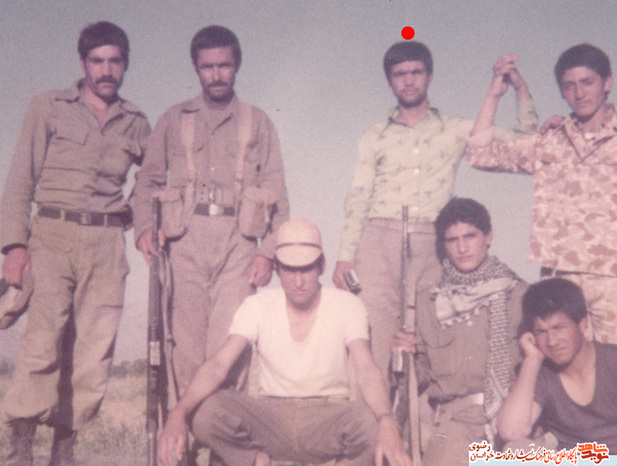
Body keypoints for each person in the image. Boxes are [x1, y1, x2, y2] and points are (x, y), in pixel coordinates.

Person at [332, 41, 537, 379]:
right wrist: (345, 256)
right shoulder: (373, 136)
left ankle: (427, 414)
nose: (408, 80)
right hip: (378, 242)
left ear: (429, 76)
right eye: (400, 74)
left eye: (416, 72)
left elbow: (523, 140)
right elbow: (358, 198)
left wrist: (518, 90)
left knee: (429, 336)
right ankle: (374, 413)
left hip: (432, 243)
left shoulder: (455, 127)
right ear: (389, 81)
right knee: (374, 337)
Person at [0, 21, 150, 465]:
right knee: (42, 343)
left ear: (125, 64)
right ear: (83, 63)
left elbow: (155, 176)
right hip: (52, 234)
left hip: (107, 242)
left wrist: (131, 211)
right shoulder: (49, 106)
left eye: (115, 61)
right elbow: (20, 179)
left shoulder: (137, 122)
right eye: (97, 61)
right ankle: (21, 447)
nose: (106, 70)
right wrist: (14, 247)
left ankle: (65, 448)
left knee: (94, 350)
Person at [157, 218, 412, 466]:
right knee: (204, 411)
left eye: (306, 269)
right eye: (290, 269)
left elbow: (366, 368)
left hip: (329, 415)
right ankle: (256, 462)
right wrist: (178, 413)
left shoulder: (347, 305)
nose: (298, 282)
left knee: (374, 425)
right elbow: (218, 365)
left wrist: (386, 419)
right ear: (277, 268)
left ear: (322, 266)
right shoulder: (258, 305)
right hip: (271, 416)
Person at [130, 25, 289, 403]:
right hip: (184, 241)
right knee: (182, 346)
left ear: (237, 66)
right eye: (207, 67)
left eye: (224, 65)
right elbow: (148, 181)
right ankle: (182, 430)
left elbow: (278, 197)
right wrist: (144, 229)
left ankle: (223, 433)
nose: (216, 75)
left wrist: (267, 253)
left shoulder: (258, 122)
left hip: (238, 243)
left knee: (230, 345)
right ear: (195, 68)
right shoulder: (173, 118)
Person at [467, 44, 617, 344]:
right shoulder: (551, 140)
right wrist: (496, 93)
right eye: (569, 86)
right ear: (561, 91)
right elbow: (479, 154)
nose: (579, 93)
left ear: (607, 83)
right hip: (560, 276)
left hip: (611, 276)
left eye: (587, 82)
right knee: (564, 366)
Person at [393, 198, 527, 466]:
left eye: (470, 236)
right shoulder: (429, 301)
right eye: (452, 240)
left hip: (512, 419)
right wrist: (403, 356)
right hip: (454, 421)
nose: (462, 248)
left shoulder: (520, 294)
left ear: (488, 237)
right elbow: (420, 373)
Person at [497, 278, 617, 452]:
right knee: (514, 451)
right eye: (541, 332)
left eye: (558, 328)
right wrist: (532, 359)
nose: (552, 341)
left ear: (582, 323)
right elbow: (510, 431)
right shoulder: (543, 374)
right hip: (572, 460)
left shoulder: (612, 361)